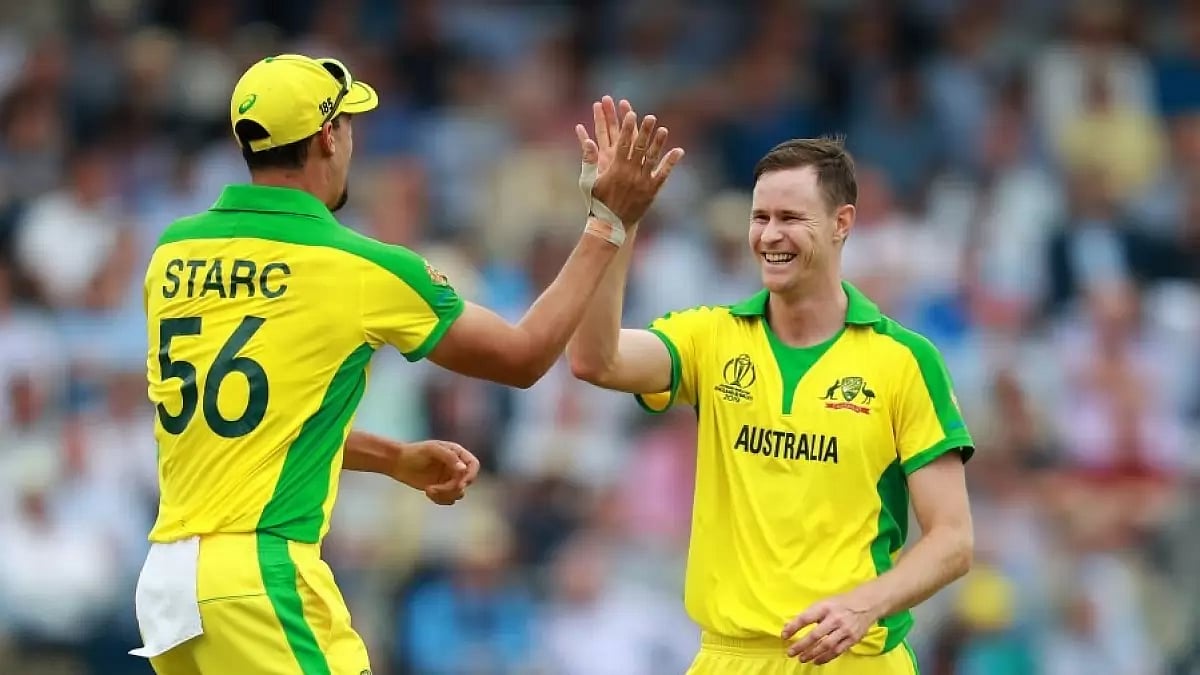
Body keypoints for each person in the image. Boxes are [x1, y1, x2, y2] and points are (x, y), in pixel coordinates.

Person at [133, 55, 683, 675]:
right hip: (261, 576)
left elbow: (254, 429)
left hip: (169, 582)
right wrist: (608, 222)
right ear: (326, 136)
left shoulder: (172, 251)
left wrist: (392, 459)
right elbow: (525, 356)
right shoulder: (357, 266)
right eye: (349, 122)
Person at [568, 98, 974, 675]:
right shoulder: (712, 337)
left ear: (842, 224)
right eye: (761, 218)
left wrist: (866, 605)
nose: (769, 235)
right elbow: (594, 359)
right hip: (727, 658)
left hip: (854, 659)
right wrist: (613, 221)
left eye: (791, 218)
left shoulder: (904, 361)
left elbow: (953, 540)